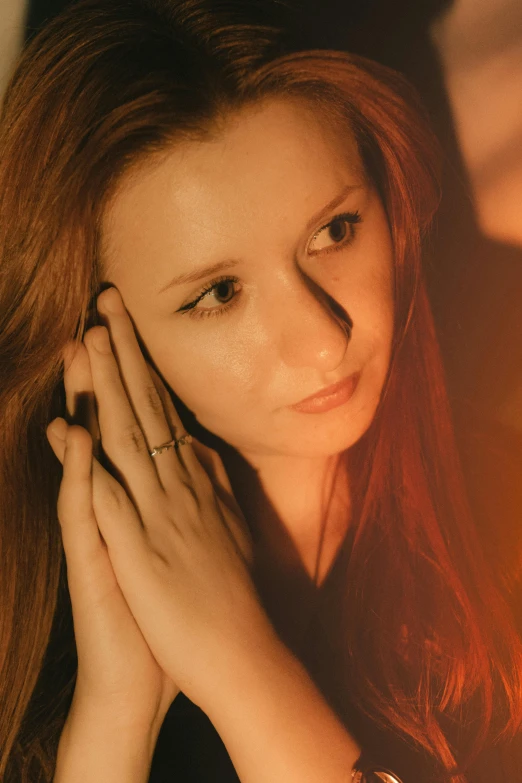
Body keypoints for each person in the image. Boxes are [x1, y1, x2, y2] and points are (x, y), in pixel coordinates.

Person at [1, 1, 521, 781]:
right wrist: (116, 715)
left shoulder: (503, 509)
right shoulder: (25, 605)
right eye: (218, 293)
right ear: (88, 341)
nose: (323, 338)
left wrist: (244, 670)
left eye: (335, 231)